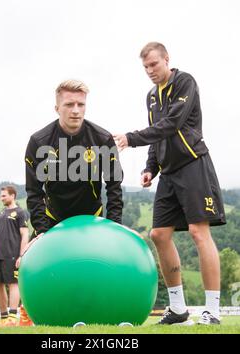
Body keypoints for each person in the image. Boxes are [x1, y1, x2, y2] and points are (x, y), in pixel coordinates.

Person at [114, 42, 226, 325]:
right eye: (145, 67)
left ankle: (212, 310)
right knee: (159, 234)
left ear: (167, 60)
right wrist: (151, 167)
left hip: (193, 165)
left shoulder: (184, 82)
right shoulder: (152, 96)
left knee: (198, 233)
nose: (150, 71)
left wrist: (131, 138)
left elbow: (172, 123)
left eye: (154, 64)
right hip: (169, 172)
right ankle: (178, 309)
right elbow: (158, 135)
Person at [19, 79, 124, 325]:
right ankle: (30, 310)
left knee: (94, 268)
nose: (75, 110)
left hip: (92, 217)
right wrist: (42, 229)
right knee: (37, 263)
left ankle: (100, 308)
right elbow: (33, 191)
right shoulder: (39, 141)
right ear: (57, 108)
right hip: (54, 218)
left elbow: (114, 185)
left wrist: (114, 225)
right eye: (69, 104)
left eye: (81, 104)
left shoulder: (101, 138)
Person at [0, 185, 29, 327]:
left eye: (4, 195)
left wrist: (21, 255)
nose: (1, 198)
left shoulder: (20, 213)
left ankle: (12, 317)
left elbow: (25, 234)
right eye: (1, 196)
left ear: (12, 196)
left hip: (12, 255)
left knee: (13, 283)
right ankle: (4, 318)